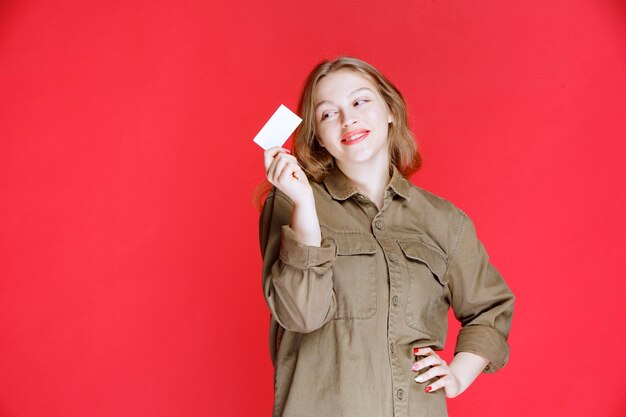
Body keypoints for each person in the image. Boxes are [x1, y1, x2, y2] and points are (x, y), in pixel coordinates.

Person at [258, 56, 514, 417]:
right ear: (317, 136)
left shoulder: (444, 221)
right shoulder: (290, 203)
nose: (349, 120)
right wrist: (303, 205)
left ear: (390, 110)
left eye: (360, 101)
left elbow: (491, 308)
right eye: (328, 113)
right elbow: (301, 316)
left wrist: (458, 375)